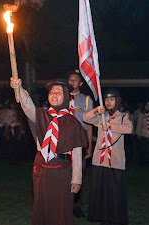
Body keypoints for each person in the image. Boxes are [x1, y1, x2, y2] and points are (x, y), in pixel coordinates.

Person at [10, 77, 87, 225]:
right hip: (42, 169)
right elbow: (27, 105)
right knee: (42, 206)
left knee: (61, 208)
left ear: (65, 96)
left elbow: (77, 154)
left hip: (63, 171)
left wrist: (77, 178)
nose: (54, 95)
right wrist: (18, 88)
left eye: (59, 92)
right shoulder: (40, 115)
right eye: (52, 92)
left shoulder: (73, 123)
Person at [84, 88, 132, 225]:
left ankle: (115, 217)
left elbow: (128, 129)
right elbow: (85, 118)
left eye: (112, 99)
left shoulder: (123, 117)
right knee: (101, 190)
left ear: (117, 101)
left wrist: (111, 126)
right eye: (106, 99)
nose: (109, 102)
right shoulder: (101, 117)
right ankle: (101, 216)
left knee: (115, 191)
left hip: (115, 161)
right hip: (100, 160)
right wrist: (95, 110)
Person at [66, 69, 94, 217]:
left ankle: (76, 204)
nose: (72, 82)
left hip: (80, 137)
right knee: (64, 171)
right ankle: (64, 203)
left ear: (81, 83)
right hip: (64, 138)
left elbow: (89, 125)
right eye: (70, 79)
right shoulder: (61, 97)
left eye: (75, 80)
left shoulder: (86, 100)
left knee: (79, 171)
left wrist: (89, 146)